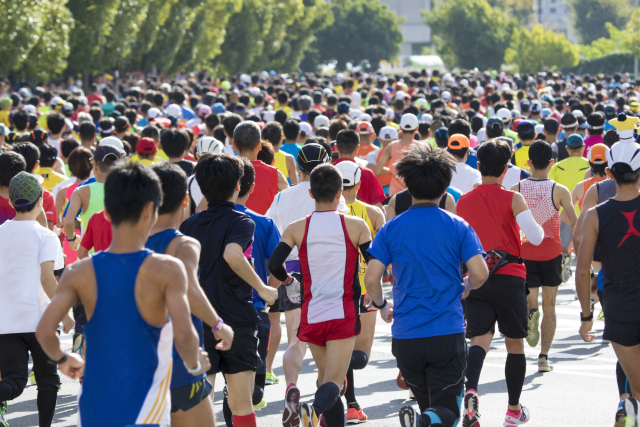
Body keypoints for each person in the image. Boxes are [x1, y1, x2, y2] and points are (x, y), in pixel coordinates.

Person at [35, 162, 207, 427]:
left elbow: (45, 331)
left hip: (95, 404)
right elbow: (184, 335)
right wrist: (196, 365)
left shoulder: (77, 272)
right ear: (151, 209)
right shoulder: (167, 269)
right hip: (146, 405)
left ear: (106, 213)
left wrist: (63, 359)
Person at [364, 145, 489, 427]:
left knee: (432, 410)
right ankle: (424, 419)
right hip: (447, 332)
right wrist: (466, 286)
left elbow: (371, 278)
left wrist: (383, 305)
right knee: (449, 412)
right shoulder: (458, 225)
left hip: (406, 336)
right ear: (446, 187)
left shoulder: (390, 228)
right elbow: (480, 272)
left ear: (407, 185)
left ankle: (424, 418)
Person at [268, 163, 377, 427]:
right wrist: (377, 297)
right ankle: (311, 410)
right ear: (341, 193)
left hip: (311, 314)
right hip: (343, 313)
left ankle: (316, 413)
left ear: (310, 194)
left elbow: (273, 264)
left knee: (324, 378)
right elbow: (373, 264)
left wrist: (288, 281)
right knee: (333, 382)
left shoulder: (296, 227)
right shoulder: (356, 225)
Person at [180, 153, 277, 427]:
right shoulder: (242, 221)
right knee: (242, 407)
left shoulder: (188, 225)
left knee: (201, 405)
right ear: (238, 185)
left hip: (199, 321)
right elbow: (233, 254)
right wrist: (263, 288)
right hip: (238, 319)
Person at [457, 139, 544, 427]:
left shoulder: (463, 201)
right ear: (507, 169)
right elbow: (536, 238)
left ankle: (470, 393)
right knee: (514, 344)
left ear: (478, 166)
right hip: (510, 276)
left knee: (479, 340)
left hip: (476, 278)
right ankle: (513, 410)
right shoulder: (513, 198)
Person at [146, 162, 234, 426]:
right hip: (179, 361)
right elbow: (188, 289)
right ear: (185, 199)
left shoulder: (131, 243)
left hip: (135, 363)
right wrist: (218, 325)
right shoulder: (183, 243)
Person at [265, 143, 345, 427]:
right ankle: (322, 407)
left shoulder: (282, 197)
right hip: (326, 273)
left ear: (298, 168)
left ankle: (291, 386)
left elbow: (273, 236)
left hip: (291, 272)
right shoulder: (335, 195)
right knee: (328, 344)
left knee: (296, 341)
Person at [575, 141, 640, 426]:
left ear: (610, 173)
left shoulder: (594, 214)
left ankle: (629, 405)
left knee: (635, 388)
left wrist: (586, 316)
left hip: (618, 306)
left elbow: (580, 270)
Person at [0, 172, 69, 427]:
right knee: (47, 381)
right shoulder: (46, 236)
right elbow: (48, 279)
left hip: (5, 324)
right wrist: (66, 315)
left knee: (15, 382)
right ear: (40, 201)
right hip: (43, 323)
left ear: (10, 202)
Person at [511, 141, 577, 373]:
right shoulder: (560, 190)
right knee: (550, 306)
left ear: (528, 163)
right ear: (552, 163)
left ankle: (531, 314)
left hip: (525, 253)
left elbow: (509, 225)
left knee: (533, 302)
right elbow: (575, 221)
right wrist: (575, 246)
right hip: (551, 253)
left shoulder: (515, 189)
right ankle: (543, 358)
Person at [229, 158, 282, 414]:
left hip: (215, 309)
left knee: (231, 382)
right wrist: (267, 292)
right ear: (250, 188)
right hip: (255, 307)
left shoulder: (200, 222)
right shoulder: (264, 223)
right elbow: (278, 265)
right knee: (250, 390)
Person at [335, 160, 385, 424]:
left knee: (346, 349)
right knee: (361, 355)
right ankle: (350, 403)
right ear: (359, 183)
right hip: (366, 290)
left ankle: (348, 397)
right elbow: (389, 254)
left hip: (335, 290)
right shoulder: (374, 214)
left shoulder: (323, 213)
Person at [549, 133, 590, 282]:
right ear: (583, 148)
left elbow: (551, 189)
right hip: (586, 212)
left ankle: (565, 263)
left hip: (564, 212)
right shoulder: (589, 165)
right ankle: (586, 273)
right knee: (586, 248)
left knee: (564, 247)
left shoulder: (558, 166)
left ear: (567, 149)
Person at [62, 145, 119, 253]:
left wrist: (71, 238)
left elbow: (68, 221)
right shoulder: (129, 189)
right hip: (122, 257)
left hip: (90, 258)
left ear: (95, 164)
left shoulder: (81, 191)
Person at [233, 121, 288, 215]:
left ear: (234, 145)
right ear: (259, 145)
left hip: (232, 228)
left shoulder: (225, 170)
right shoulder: (276, 174)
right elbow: (289, 202)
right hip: (266, 228)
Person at [334, 129, 385, 208]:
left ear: (336, 147)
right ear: (357, 148)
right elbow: (377, 205)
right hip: (364, 219)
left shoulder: (326, 172)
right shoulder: (368, 174)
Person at [375, 114, 422, 196]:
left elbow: (378, 170)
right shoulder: (423, 147)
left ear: (400, 128)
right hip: (417, 194)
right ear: (417, 128)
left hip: (396, 195)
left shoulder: (391, 146)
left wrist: (395, 171)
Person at [572, 144, 609, 211]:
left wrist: (578, 221)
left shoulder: (580, 186)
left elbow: (565, 215)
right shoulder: (618, 185)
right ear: (609, 162)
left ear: (589, 163)